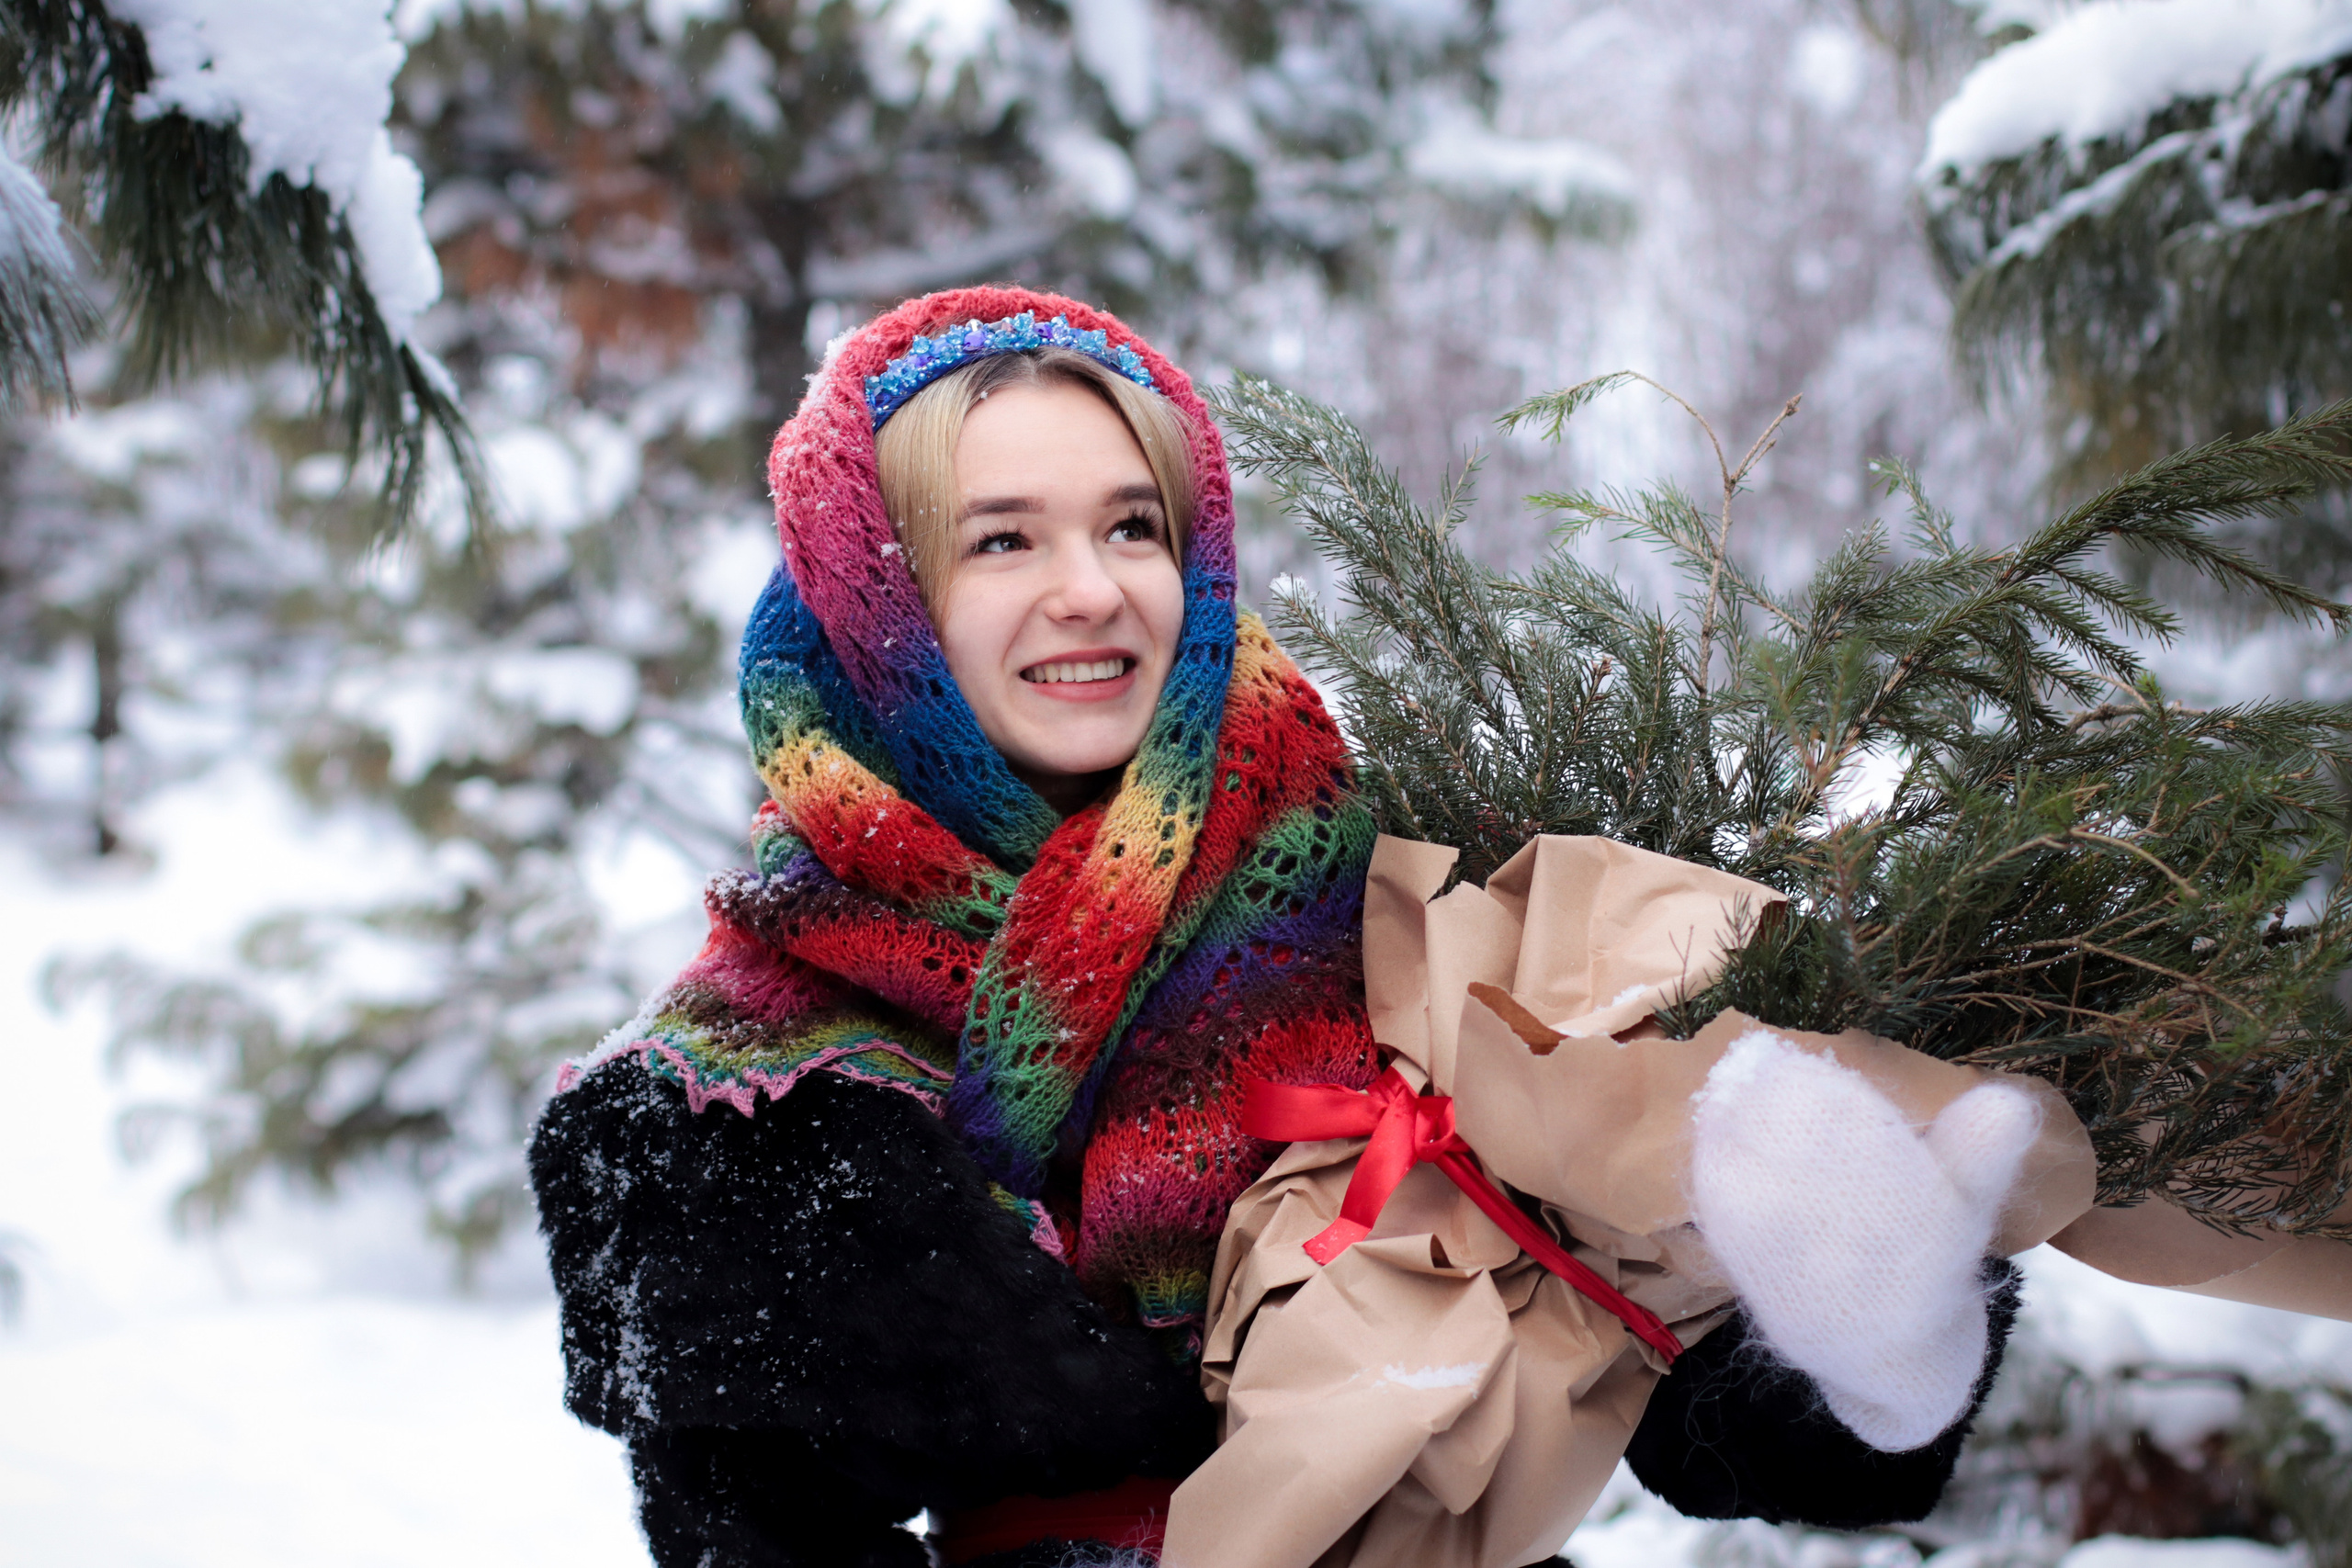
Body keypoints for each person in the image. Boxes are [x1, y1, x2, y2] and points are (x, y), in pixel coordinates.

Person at [527, 287, 2007, 1568]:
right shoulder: (749, 1090)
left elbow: (1659, 1385)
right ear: (880, 598)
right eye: (1001, 542)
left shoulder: (1384, 898)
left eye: (1132, 524)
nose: (1093, 591)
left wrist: (1852, 1308)